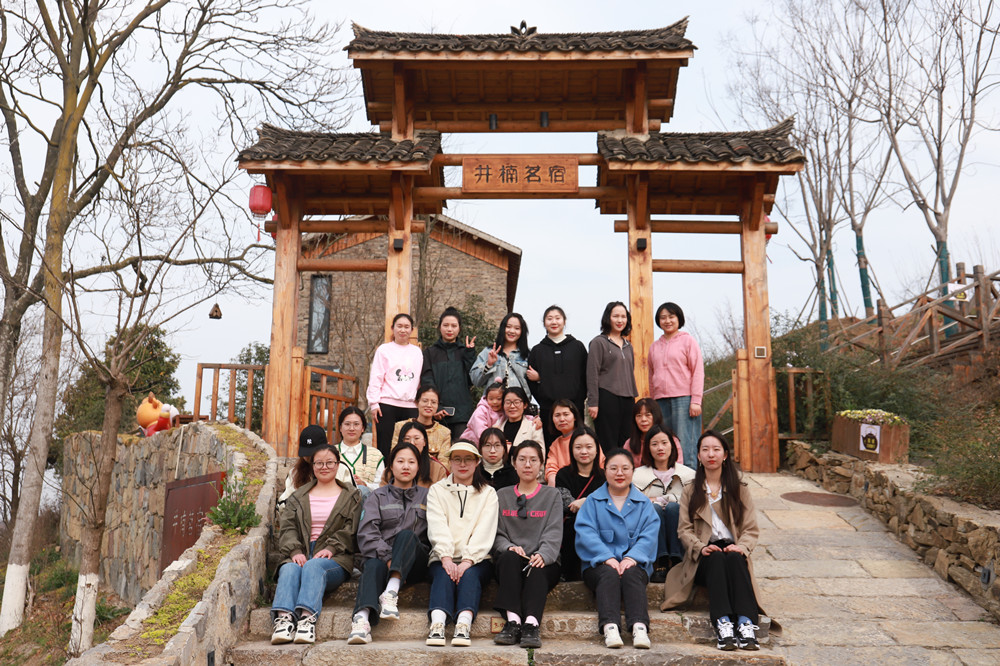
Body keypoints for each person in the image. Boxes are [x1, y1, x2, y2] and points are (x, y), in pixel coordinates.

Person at [662, 431, 769, 652]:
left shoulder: (739, 489)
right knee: (717, 557)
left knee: (735, 558)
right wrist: (700, 547)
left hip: (733, 549)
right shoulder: (690, 490)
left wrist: (741, 547)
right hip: (703, 556)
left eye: (716, 449)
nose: (711, 454)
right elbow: (684, 529)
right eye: (705, 450)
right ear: (698, 456)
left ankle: (746, 624)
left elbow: (750, 529)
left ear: (725, 455)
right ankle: (723, 624)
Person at [270, 444, 362, 645]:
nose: (324, 467)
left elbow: (351, 529)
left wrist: (331, 548)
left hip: (335, 558)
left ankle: (306, 619)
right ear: (312, 466)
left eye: (330, 462)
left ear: (338, 465)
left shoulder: (351, 496)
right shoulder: (298, 496)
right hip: (302, 552)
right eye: (319, 463)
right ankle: (284, 620)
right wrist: (295, 551)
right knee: (289, 568)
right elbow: (287, 527)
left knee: (313, 566)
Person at [575, 448, 658, 650]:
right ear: (605, 471)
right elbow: (586, 533)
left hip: (635, 564)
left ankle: (639, 627)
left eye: (625, 468)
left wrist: (632, 558)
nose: (619, 473)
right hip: (598, 565)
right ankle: (610, 627)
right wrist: (606, 557)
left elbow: (649, 535)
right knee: (608, 574)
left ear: (633, 471)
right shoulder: (593, 501)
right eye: (613, 468)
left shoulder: (644, 504)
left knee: (632, 574)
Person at [348, 443, 430, 645]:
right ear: (391, 466)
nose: (406, 466)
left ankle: (391, 591)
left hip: (416, 562)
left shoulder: (428, 496)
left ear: (418, 466)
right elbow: (367, 533)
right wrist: (388, 558)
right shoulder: (377, 496)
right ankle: (361, 619)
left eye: (411, 462)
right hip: (382, 559)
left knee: (407, 535)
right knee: (372, 564)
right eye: (400, 461)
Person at [425, 441, 499, 648]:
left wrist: (468, 560)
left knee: (470, 575)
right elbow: (437, 525)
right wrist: (446, 557)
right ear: (450, 462)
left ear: (477, 462)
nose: (462, 464)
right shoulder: (437, 490)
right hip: (442, 556)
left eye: (468, 459)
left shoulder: (488, 493)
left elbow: (485, 530)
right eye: (457, 459)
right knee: (443, 574)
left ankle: (463, 625)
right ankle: (437, 625)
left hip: (478, 559)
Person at [491, 441, 563, 649]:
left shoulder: (552, 495)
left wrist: (543, 554)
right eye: (522, 459)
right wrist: (509, 547)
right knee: (509, 557)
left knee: (537, 566)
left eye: (533, 460)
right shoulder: (502, 495)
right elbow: (496, 533)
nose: (527, 464)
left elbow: (554, 531)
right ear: (514, 463)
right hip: (511, 562)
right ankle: (513, 622)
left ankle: (531, 625)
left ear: (541, 464)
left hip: (543, 561)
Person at [633, 425, 695, 583]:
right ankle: (661, 561)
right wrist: (666, 500)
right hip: (648, 528)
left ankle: (676, 559)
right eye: (654, 444)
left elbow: (692, 502)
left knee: (673, 508)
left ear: (672, 446)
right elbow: (636, 502)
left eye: (664, 443)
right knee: (654, 509)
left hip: (681, 526)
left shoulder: (689, 475)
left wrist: (660, 499)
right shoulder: (636, 475)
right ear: (648, 448)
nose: (660, 448)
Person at [648, 302, 705, 467]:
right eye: (663, 318)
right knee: (665, 442)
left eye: (671, 317)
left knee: (686, 443)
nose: (667, 321)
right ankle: (670, 478)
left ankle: (691, 478)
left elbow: (698, 371)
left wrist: (696, 400)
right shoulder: (654, 347)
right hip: (660, 401)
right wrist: (652, 402)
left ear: (678, 318)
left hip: (684, 399)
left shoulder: (688, 341)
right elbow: (651, 375)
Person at [526, 305, 588, 445]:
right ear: (544, 323)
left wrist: (579, 401)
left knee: (576, 445)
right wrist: (544, 400)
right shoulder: (537, 350)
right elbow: (530, 380)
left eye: (557, 318)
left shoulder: (577, 347)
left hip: (575, 408)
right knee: (551, 447)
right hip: (548, 410)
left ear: (564, 321)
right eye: (549, 319)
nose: (554, 322)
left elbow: (585, 376)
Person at [367, 313, 423, 458]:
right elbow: (376, 377)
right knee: (385, 445)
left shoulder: (417, 352)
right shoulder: (384, 350)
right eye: (399, 326)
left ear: (411, 330)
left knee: (410, 446)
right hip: (387, 404)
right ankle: (386, 471)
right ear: (393, 328)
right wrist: (374, 403)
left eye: (406, 327)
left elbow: (419, 379)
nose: (403, 330)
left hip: (411, 405)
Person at [554, 426, 605, 581]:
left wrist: (586, 501)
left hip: (599, 526)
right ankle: (569, 573)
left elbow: (608, 504)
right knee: (577, 521)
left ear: (596, 449)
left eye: (589, 447)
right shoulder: (563, 474)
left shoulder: (604, 477)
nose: (584, 451)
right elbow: (568, 505)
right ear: (571, 449)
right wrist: (591, 503)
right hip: (570, 529)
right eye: (578, 447)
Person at [587, 302, 638, 454]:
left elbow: (630, 371)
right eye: (615, 316)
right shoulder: (599, 342)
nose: (620, 320)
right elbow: (592, 373)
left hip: (628, 399)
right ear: (608, 318)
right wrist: (593, 402)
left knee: (627, 442)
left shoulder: (628, 346)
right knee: (608, 443)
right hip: (607, 397)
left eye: (623, 316)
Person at [421, 307, 477, 438]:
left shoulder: (465, 351)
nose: (449, 329)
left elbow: (473, 380)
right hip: (436, 414)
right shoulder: (430, 353)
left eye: (454, 326)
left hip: (462, 415)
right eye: (445, 325)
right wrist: (436, 407)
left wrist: (470, 355)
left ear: (459, 328)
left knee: (460, 448)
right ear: (439, 327)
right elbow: (427, 381)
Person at [470, 313, 531, 400]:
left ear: (522, 331)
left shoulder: (528, 355)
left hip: (517, 405)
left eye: (517, 328)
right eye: (508, 327)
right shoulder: (489, 351)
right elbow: (476, 381)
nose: (512, 331)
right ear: (503, 328)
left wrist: (538, 377)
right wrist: (488, 365)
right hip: (493, 405)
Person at [544, 399, 604, 486]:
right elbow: (551, 467)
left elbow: (601, 464)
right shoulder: (556, 444)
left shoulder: (587, 437)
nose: (562, 419)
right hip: (565, 484)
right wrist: (552, 477)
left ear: (575, 416)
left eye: (566, 414)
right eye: (557, 415)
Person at [392, 385, 453, 467]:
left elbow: (444, 465)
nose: (429, 405)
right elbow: (394, 456)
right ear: (416, 403)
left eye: (433, 402)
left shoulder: (444, 432)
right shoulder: (400, 426)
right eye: (425, 401)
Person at [334, 407, 384, 496]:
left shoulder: (376, 455)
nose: (351, 428)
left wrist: (365, 485)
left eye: (356, 424)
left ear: (363, 428)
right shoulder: (330, 453)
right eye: (347, 424)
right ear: (340, 428)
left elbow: (382, 487)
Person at [388, 422, 448, 487]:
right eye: (407, 439)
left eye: (416, 438)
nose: (412, 443)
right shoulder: (392, 468)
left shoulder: (438, 469)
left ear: (424, 442)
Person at [624, 397, 679, 467]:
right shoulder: (629, 443)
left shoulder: (671, 440)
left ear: (656, 416)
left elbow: (678, 467)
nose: (643, 419)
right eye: (639, 416)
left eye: (648, 415)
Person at [497, 387, 545, 453]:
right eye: (508, 402)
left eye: (517, 402)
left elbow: (540, 453)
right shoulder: (498, 426)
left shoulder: (534, 427)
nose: (512, 406)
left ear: (525, 405)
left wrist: (511, 449)